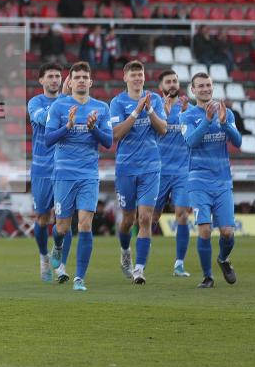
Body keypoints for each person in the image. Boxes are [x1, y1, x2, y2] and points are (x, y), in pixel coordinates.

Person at [44, 61, 113, 292]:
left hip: (88, 175)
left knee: (85, 225)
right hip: (63, 174)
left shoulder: (101, 108)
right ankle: (58, 245)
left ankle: (79, 278)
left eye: (85, 77)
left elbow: (108, 142)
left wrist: (93, 128)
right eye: (78, 77)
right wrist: (69, 125)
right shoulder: (58, 108)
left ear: (91, 82)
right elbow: (48, 139)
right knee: (62, 227)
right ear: (70, 82)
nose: (82, 80)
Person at [110, 61, 168, 285]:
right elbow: (116, 134)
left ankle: (140, 269)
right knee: (127, 219)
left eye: (140, 75)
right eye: (133, 75)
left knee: (145, 218)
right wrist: (136, 111)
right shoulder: (117, 102)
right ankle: (125, 250)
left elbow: (163, 129)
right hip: (125, 168)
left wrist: (150, 109)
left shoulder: (154, 100)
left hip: (151, 167)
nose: (137, 78)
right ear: (125, 78)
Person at [182, 72, 242, 288]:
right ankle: (208, 277)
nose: (205, 88)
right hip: (198, 182)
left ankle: (223, 259)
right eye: (201, 86)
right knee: (205, 230)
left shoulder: (226, 113)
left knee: (227, 232)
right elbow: (190, 141)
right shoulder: (187, 116)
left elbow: (238, 142)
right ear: (193, 89)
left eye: (208, 85)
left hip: (223, 181)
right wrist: (207, 121)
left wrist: (225, 124)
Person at [27, 64, 72, 282]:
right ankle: (44, 256)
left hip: (65, 168)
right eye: (50, 76)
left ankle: (61, 266)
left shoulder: (71, 102)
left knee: (65, 219)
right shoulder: (35, 103)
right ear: (41, 81)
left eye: (58, 76)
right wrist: (64, 98)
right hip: (42, 169)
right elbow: (44, 118)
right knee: (43, 218)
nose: (55, 80)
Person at [154, 70, 194, 277]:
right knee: (151, 217)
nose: (172, 84)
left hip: (182, 172)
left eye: (175, 81)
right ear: (161, 86)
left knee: (182, 215)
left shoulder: (189, 109)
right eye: (168, 81)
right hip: (158, 171)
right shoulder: (154, 108)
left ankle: (179, 263)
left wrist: (187, 115)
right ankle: (137, 254)